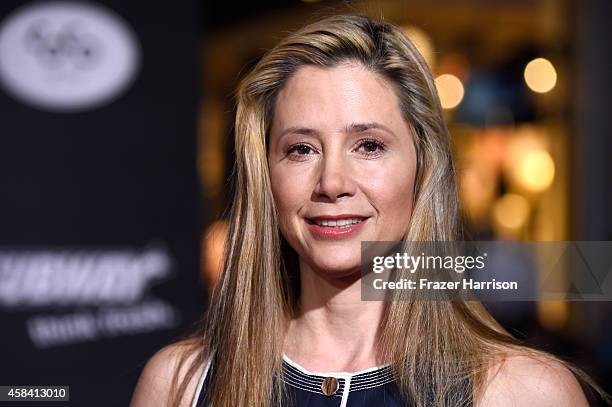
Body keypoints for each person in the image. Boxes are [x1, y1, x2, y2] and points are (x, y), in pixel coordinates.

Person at [130, 14, 610, 407]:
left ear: (422, 167)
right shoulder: (180, 386)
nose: (333, 183)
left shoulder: (524, 393)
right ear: (266, 175)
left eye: (369, 146)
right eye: (301, 149)